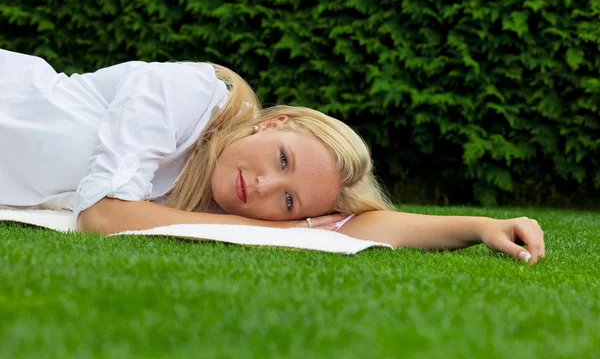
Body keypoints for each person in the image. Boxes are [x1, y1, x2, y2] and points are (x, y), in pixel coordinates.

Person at [0, 49, 545, 264]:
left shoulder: (205, 198)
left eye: (287, 201)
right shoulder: (190, 94)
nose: (260, 187)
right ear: (273, 123)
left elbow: (363, 224)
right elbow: (103, 217)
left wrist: (480, 225)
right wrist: (290, 230)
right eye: (281, 159)